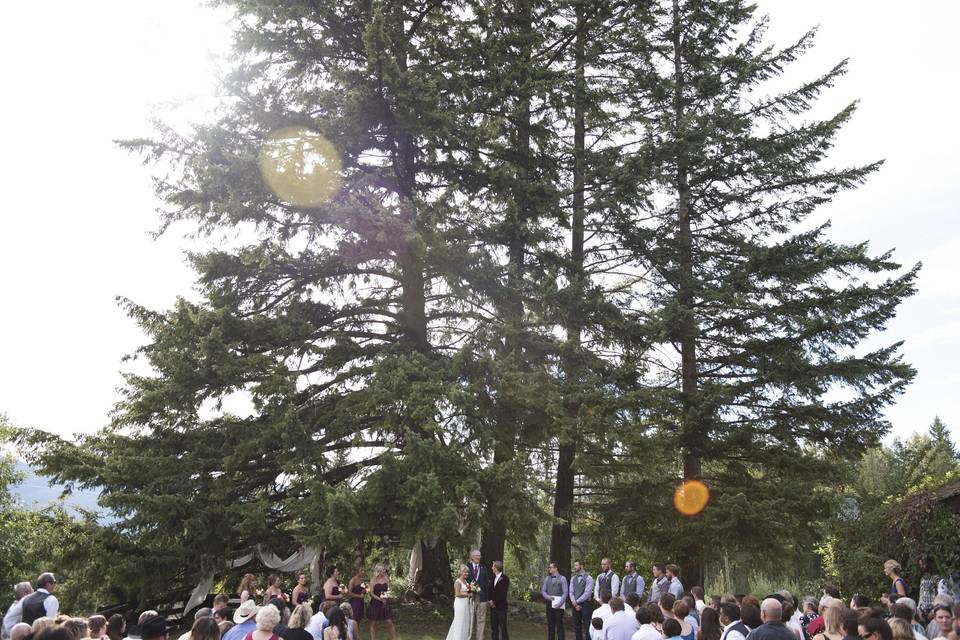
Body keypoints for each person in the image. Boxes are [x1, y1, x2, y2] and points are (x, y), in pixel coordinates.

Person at [445, 565, 475, 640]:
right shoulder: (457, 582)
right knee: (459, 621)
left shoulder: (465, 581)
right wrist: (468, 595)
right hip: (460, 604)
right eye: (465, 572)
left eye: (467, 572)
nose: (466, 574)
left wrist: (474, 590)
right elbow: (457, 594)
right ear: (461, 572)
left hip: (466, 604)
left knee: (465, 621)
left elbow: (470, 590)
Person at [366, 564, 395, 640]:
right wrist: (379, 599)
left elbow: (389, 589)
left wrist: (388, 595)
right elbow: (371, 593)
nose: (384, 571)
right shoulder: (373, 580)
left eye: (384, 570)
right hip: (375, 603)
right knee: (373, 623)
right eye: (382, 570)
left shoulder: (386, 578)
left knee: (389, 622)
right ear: (378, 571)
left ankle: (392, 638)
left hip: (385, 602)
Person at [541, 561, 568, 640]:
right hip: (549, 604)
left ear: (556, 568)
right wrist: (547, 597)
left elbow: (565, 592)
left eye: (551, 567)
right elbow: (543, 590)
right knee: (550, 625)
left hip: (559, 605)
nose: (549, 569)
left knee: (559, 625)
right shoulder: (547, 578)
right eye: (549, 567)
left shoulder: (563, 578)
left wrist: (560, 603)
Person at [468, 549, 489, 640]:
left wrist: (485, 595)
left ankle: (479, 638)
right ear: (472, 557)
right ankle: (468, 637)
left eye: (479, 555)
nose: (478, 557)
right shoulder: (467, 567)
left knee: (481, 619)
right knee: (470, 618)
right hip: (469, 597)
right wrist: (475, 589)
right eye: (476, 555)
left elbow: (486, 583)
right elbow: (465, 581)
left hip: (482, 598)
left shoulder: (483, 568)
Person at [571, 560, 595, 640]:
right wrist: (574, 603)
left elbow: (587, 593)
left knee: (587, 626)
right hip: (575, 605)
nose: (575, 567)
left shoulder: (589, 578)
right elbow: (571, 592)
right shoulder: (573, 578)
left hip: (585, 605)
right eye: (575, 565)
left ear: (582, 566)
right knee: (577, 626)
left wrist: (576, 602)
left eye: (576, 565)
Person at [489, 561, 510, 640]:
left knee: (503, 627)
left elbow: (503, 594)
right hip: (492, 607)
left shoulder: (505, 579)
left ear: (496, 568)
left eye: (493, 566)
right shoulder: (492, 578)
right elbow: (490, 590)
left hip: (501, 607)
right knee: (494, 628)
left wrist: (494, 602)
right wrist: (490, 600)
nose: (492, 568)